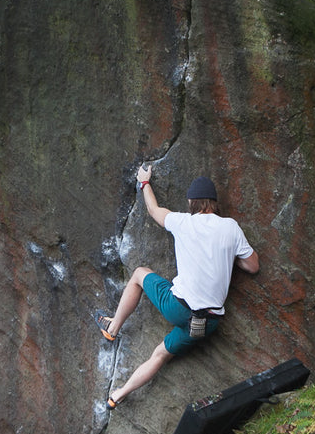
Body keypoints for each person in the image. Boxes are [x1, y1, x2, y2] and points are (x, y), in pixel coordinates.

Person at [96, 164, 260, 409]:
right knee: (160, 355)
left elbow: (153, 210)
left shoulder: (183, 222)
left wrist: (144, 183)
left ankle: (113, 327)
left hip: (177, 307)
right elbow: (253, 266)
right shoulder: (231, 228)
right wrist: (228, 254)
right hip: (207, 323)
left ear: (191, 202)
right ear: (213, 203)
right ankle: (117, 395)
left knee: (140, 274)